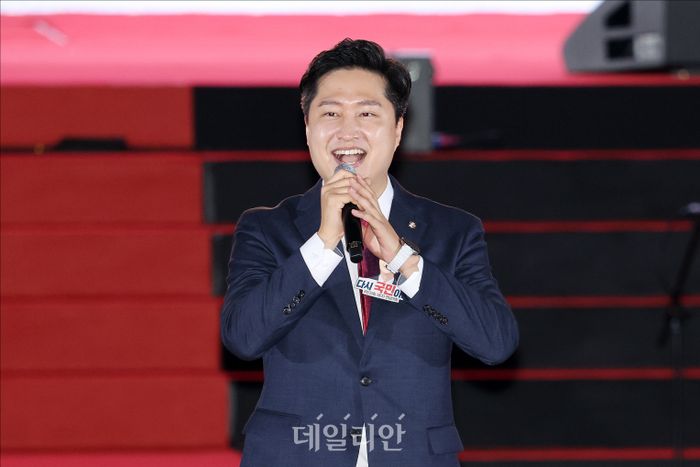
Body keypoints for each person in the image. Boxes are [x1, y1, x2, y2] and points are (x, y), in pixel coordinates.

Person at [221, 38, 519, 467]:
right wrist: (322, 243)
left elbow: (495, 342)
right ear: (307, 128)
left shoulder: (453, 231)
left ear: (397, 130)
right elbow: (243, 338)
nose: (347, 131)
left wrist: (404, 260)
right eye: (330, 113)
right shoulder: (267, 230)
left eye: (366, 113)